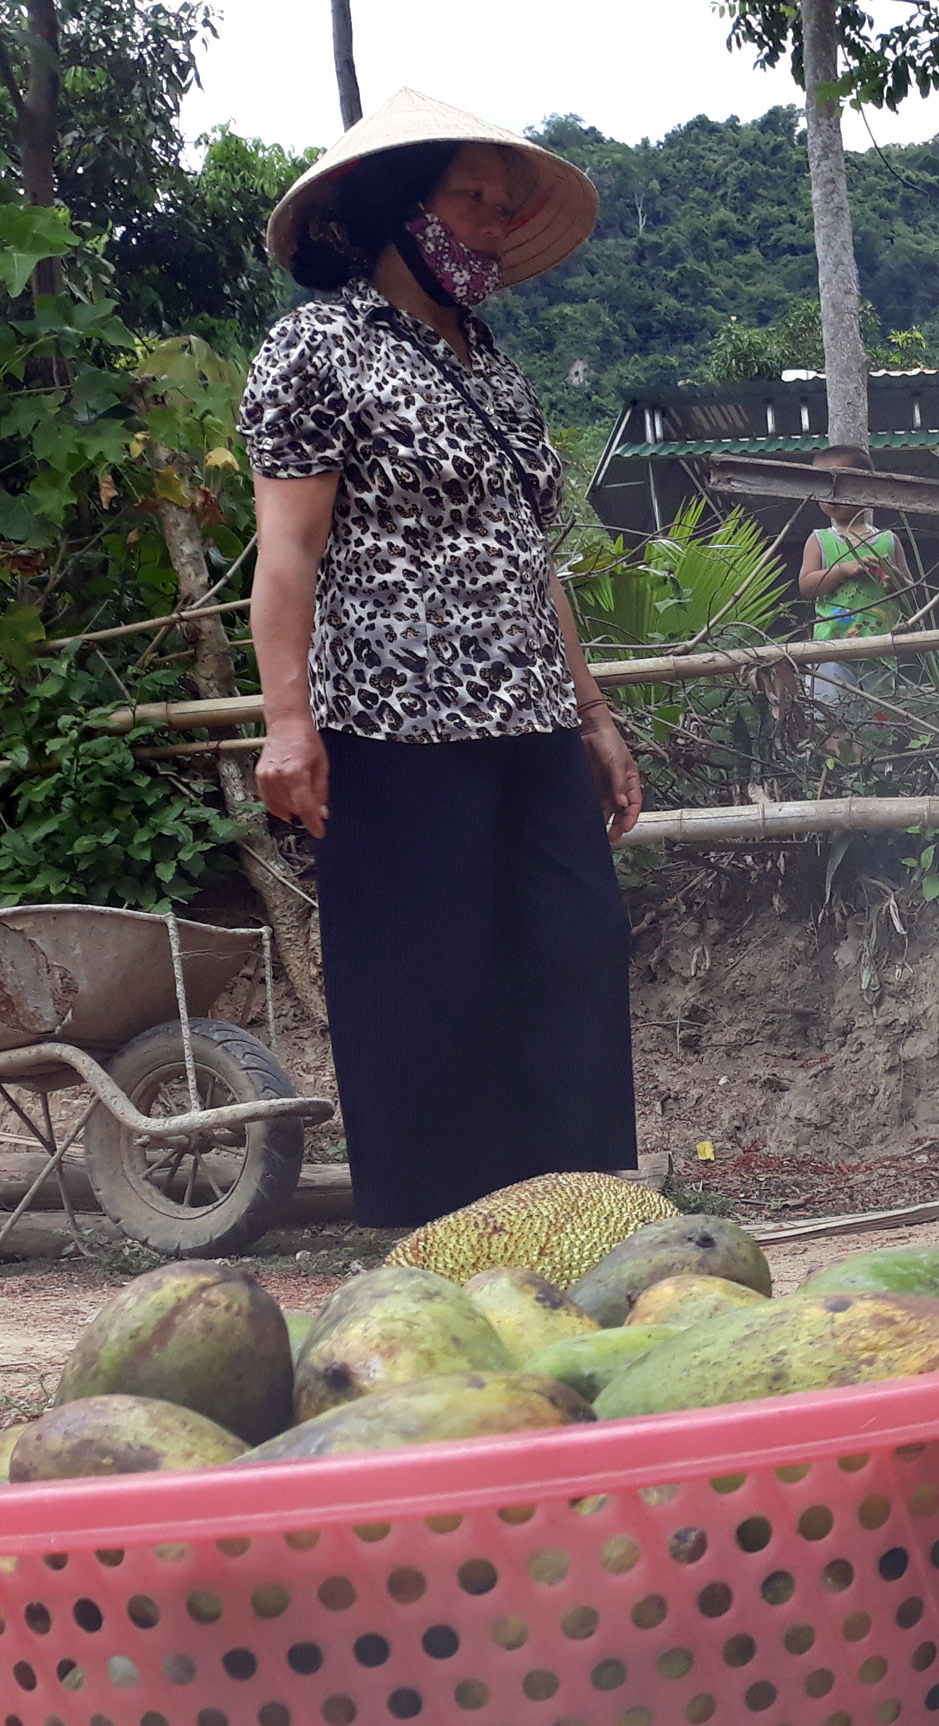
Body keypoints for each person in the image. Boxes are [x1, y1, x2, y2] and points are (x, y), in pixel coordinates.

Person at [239, 89, 641, 1228]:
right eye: (473, 197)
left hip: (529, 719)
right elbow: (290, 549)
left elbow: (533, 555)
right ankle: (437, 1232)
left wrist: (593, 715)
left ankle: (569, 1210)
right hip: (396, 720)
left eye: (507, 206)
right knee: (429, 981)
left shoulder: (493, 363)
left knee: (572, 949)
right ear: (396, 208)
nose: (497, 220)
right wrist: (285, 720)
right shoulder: (317, 348)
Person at [793, 445, 903, 705]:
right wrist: (842, 570)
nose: (832, 494)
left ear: (866, 486)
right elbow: (807, 586)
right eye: (824, 484)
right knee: (832, 725)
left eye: (842, 484)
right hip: (831, 652)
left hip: (880, 652)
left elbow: (910, 592)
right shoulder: (819, 540)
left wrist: (894, 580)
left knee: (877, 731)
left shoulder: (888, 540)